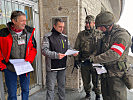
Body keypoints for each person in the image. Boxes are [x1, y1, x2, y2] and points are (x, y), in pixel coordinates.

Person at [89, 11, 132, 100]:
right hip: (105, 74)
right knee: (106, 97)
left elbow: (114, 53)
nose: (99, 29)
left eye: (101, 27)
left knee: (117, 97)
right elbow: (99, 50)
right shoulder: (106, 35)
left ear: (108, 25)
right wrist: (90, 58)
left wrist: (94, 60)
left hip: (117, 76)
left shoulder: (121, 35)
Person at [0, 11, 37, 100]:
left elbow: (33, 48)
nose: (25, 23)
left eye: (25, 20)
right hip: (10, 67)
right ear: (14, 21)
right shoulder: (3, 33)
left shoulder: (29, 32)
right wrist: (3, 65)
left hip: (25, 66)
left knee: (25, 90)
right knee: (12, 93)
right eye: (22, 21)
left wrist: (29, 59)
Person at [41, 18, 78, 100]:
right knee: (50, 89)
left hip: (62, 66)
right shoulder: (47, 36)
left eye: (63, 27)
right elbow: (44, 51)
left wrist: (73, 52)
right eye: (59, 27)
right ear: (54, 26)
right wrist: (56, 55)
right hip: (52, 67)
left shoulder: (65, 37)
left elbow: (68, 48)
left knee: (62, 87)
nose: (62, 29)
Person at [74, 15, 103, 100]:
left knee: (96, 81)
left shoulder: (99, 34)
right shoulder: (81, 34)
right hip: (84, 62)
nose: (87, 25)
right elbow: (77, 48)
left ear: (93, 23)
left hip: (96, 62)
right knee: (86, 81)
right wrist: (76, 60)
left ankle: (98, 95)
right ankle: (88, 94)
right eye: (86, 23)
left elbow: (102, 48)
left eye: (89, 23)